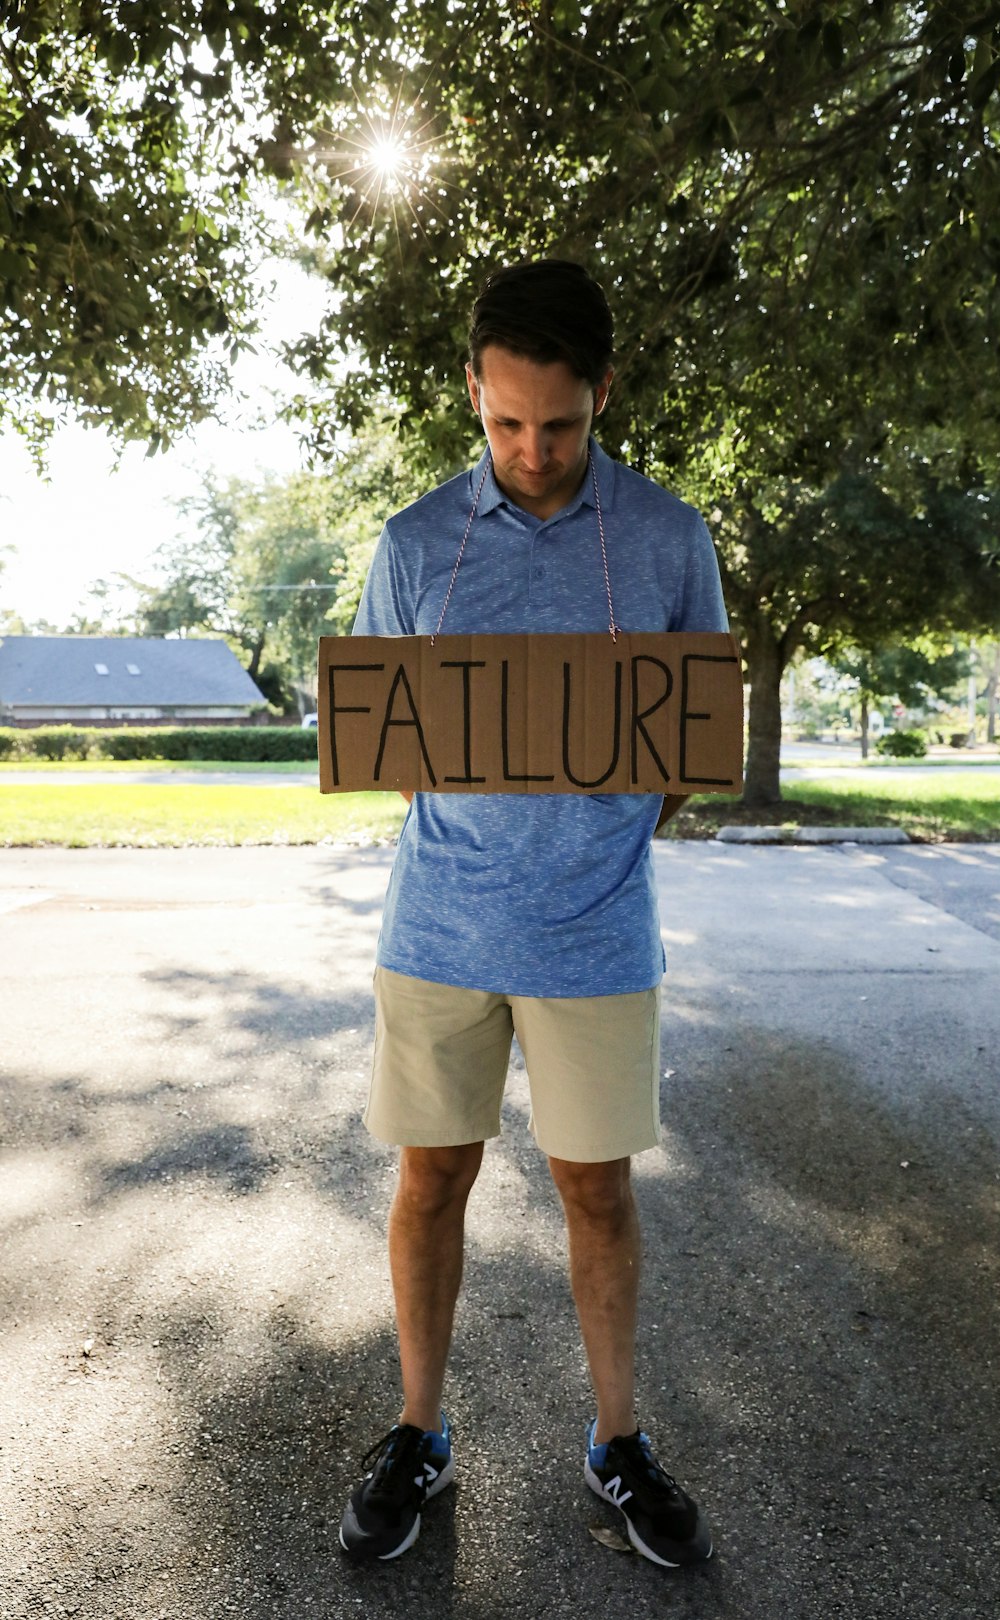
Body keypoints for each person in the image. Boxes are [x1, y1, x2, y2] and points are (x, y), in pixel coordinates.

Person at [338, 259, 728, 1569]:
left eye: (558, 424)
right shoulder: (409, 547)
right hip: (438, 928)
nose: (531, 450)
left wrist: (592, 840)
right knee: (430, 1177)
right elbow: (388, 745)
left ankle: (619, 1444)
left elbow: (684, 751)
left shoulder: (673, 542)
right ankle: (417, 1434)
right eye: (505, 422)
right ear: (475, 394)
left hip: (596, 935)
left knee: (595, 1189)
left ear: (602, 393)